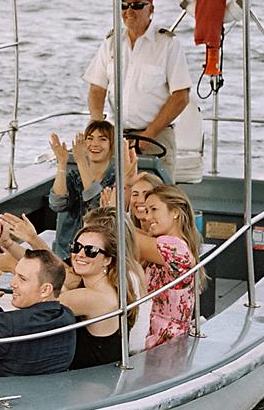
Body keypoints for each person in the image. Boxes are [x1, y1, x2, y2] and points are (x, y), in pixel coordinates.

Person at [84, 0, 191, 177]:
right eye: (124, 6)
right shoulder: (111, 42)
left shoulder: (167, 44)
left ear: (151, 9)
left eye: (137, 5)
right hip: (117, 137)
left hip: (157, 137)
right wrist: (98, 129)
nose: (129, 11)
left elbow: (181, 96)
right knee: (116, 198)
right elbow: (97, 88)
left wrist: (148, 135)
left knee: (156, 200)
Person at [60, 208, 146, 368]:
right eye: (76, 247)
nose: (80, 254)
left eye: (91, 251)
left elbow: (41, 305)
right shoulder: (114, 282)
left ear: (107, 259)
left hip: (89, 385)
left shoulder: (93, 296)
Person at [129, 184, 202, 348]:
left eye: (154, 209)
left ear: (175, 211)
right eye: (147, 211)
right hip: (151, 334)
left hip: (164, 342)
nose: (147, 218)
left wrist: (113, 212)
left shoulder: (176, 249)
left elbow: (128, 236)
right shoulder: (166, 243)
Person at [48, 121, 116, 258]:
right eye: (90, 138)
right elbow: (57, 204)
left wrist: (81, 161)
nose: (95, 144)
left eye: (102, 139)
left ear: (112, 146)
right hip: (65, 253)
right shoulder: (74, 177)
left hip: (97, 254)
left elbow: (98, 209)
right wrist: (62, 163)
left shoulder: (116, 180)